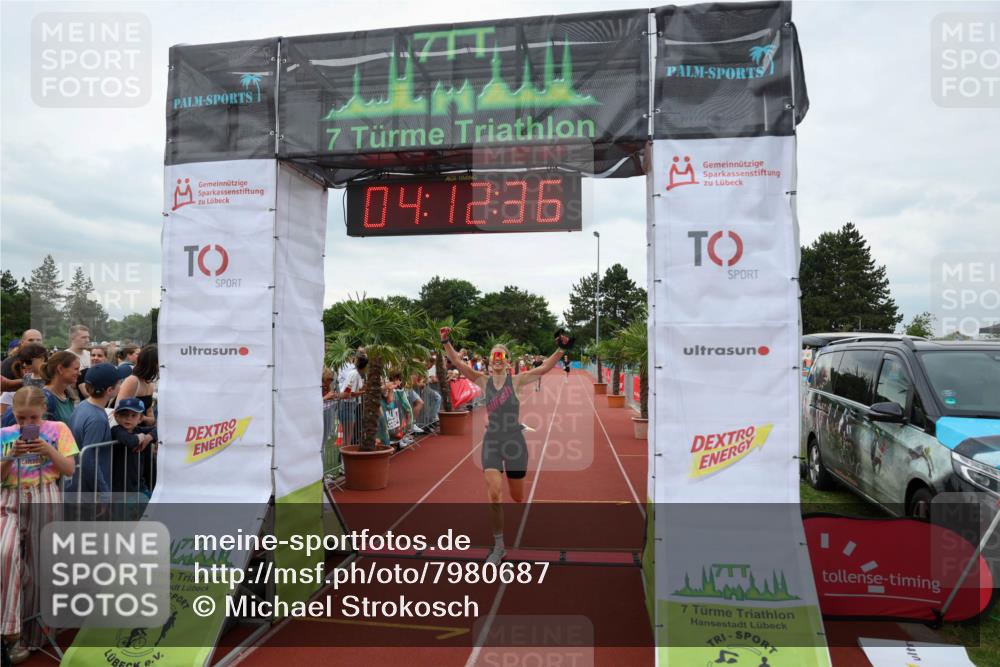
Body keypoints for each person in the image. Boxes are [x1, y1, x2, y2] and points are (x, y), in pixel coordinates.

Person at [440, 326, 572, 564]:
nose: (497, 359)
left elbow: (543, 368)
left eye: (501, 356)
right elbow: (459, 364)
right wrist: (446, 342)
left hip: (514, 443)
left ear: (507, 362)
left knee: (518, 497)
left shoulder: (518, 380)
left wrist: (561, 349)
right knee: (494, 495)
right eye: (494, 356)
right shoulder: (482, 380)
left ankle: (510, 510)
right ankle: (499, 546)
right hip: (492, 441)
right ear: (490, 362)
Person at [1, 386, 78, 662]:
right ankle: (9, 629)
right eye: (21, 418)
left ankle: (32, 636)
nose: (27, 424)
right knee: (5, 552)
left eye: (33, 418)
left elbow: (69, 469)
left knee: (39, 566)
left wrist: (47, 449)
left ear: (43, 411)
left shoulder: (58, 429)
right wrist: (11, 456)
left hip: (45, 495)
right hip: (9, 497)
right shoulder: (5, 434)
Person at [67, 364, 121, 503]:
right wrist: (104, 493)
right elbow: (88, 460)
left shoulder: (83, 405)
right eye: (119, 383)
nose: (121, 385)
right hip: (88, 494)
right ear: (109, 390)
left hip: (78, 486)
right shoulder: (96, 418)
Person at [109, 398, 156, 495]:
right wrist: (141, 437)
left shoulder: (139, 429)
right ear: (116, 416)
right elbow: (129, 440)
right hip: (122, 488)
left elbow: (160, 430)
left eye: (133, 415)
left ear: (140, 419)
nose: (128, 418)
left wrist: (149, 437)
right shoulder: (116, 430)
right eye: (124, 415)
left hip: (140, 485)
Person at [0, 345, 48, 418]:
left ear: (42, 359)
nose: (24, 365)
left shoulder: (49, 377)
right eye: (23, 362)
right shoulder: (26, 377)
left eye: (28, 361)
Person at [117, 345, 157, 428]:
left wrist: (142, 418)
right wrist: (139, 418)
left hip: (141, 431)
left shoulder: (150, 383)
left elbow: (151, 419)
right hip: (126, 432)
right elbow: (118, 411)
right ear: (152, 364)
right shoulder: (132, 381)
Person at [65, 325, 91, 400]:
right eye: (84, 337)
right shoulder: (65, 356)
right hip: (72, 399)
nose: (87, 340)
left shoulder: (90, 355)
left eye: (88, 337)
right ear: (72, 338)